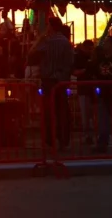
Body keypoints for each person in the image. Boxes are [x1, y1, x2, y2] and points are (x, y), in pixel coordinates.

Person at [27, 17, 74, 154]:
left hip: (48, 80)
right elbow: (70, 62)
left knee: (49, 112)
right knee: (63, 111)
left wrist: (40, 39)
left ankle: (50, 139)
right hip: (62, 81)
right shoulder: (66, 43)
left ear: (51, 27)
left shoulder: (47, 42)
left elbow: (31, 55)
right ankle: (63, 139)